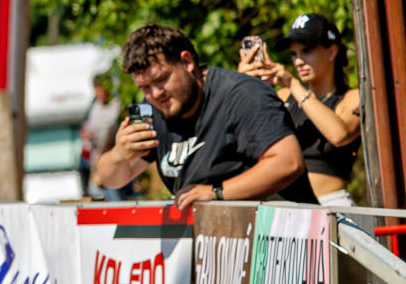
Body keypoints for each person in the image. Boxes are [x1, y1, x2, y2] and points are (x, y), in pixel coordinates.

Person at [92, 24, 313, 207]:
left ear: (187, 62)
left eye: (161, 80)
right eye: (145, 87)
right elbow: (113, 179)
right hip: (212, 237)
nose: (156, 94)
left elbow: (288, 162)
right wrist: (119, 154)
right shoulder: (153, 109)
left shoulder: (241, 94)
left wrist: (215, 192)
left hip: (278, 233)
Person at [243, 13, 361, 207]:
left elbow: (339, 135)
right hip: (283, 208)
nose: (298, 61)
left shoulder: (352, 97)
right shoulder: (283, 96)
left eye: (306, 51)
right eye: (294, 54)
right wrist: (248, 87)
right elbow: (248, 143)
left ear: (332, 52)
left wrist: (292, 84)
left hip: (331, 206)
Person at [80, 78, 123, 199]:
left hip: (109, 154)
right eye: (97, 91)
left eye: (100, 90)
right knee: (96, 190)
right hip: (95, 155)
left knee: (112, 191)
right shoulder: (94, 104)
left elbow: (111, 129)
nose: (99, 94)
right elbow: (87, 123)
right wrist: (86, 133)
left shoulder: (116, 104)